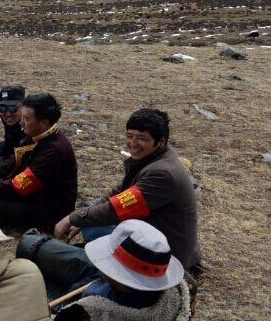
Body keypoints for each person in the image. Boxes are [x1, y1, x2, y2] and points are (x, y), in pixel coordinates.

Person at [17, 221, 191, 321]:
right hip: (112, 288)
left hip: (80, 309)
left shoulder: (89, 313)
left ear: (118, 278)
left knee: (29, 268)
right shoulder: (182, 292)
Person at [54, 108, 201, 273]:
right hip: (155, 235)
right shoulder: (154, 158)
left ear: (161, 141)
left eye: (141, 138)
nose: (133, 143)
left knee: (93, 229)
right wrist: (83, 215)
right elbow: (119, 192)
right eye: (130, 136)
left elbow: (116, 209)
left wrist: (72, 219)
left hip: (167, 256)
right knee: (91, 223)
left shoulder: (162, 173)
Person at [0, 93, 77, 231]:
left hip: (48, 211)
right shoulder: (37, 135)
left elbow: (19, 187)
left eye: (26, 118)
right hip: (33, 198)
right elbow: (9, 164)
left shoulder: (54, 150)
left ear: (44, 122)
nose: (21, 122)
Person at [0, 84, 25, 168]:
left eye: (13, 108)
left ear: (24, 106)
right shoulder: (9, 120)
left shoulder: (29, 123)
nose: (8, 113)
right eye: (3, 108)